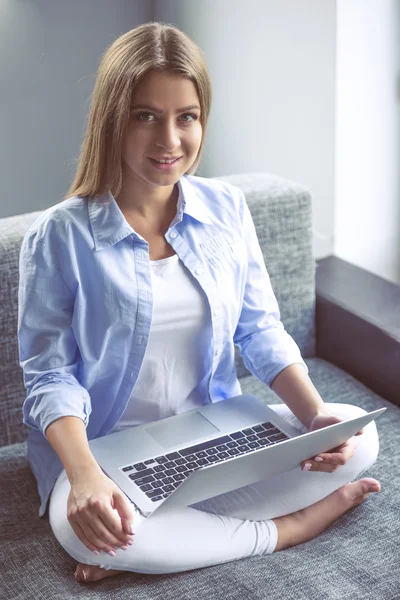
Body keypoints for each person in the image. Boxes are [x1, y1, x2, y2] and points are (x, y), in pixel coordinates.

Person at [18, 21, 381, 584]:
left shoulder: (226, 209)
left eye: (185, 116)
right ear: (114, 118)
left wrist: (315, 418)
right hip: (111, 456)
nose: (169, 140)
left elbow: (259, 331)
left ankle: (167, 542)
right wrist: (85, 477)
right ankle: (289, 528)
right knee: (79, 528)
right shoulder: (60, 236)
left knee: (358, 435)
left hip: (217, 441)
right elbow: (50, 376)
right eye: (146, 115)